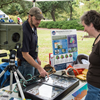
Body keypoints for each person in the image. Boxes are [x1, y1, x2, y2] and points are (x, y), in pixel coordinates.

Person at [17, 7, 49, 78]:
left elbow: (34, 44)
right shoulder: (24, 31)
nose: (39, 21)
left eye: (40, 19)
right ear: (29, 16)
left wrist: (36, 57)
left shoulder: (34, 26)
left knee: (35, 84)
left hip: (33, 61)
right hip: (25, 64)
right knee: (27, 87)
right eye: (37, 19)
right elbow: (25, 55)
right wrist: (39, 68)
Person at [80, 10, 100, 100]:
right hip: (94, 87)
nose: (84, 29)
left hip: (96, 89)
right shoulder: (97, 38)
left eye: (84, 26)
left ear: (91, 24)